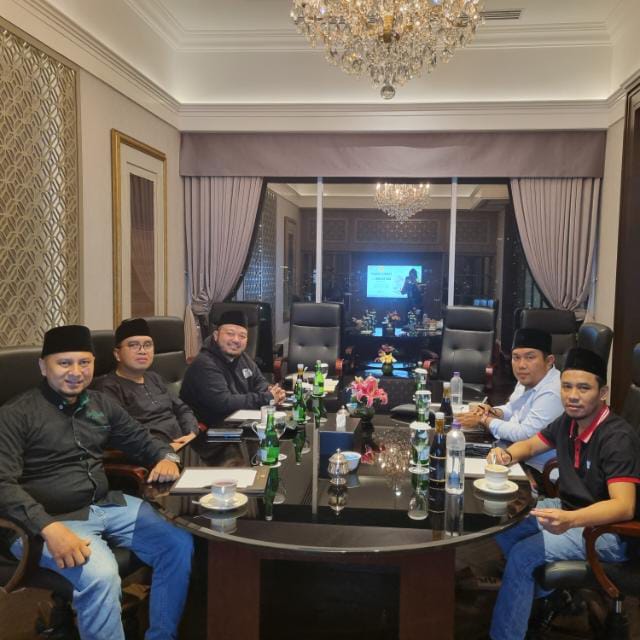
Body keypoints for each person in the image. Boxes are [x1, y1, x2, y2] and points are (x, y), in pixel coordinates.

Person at [0, 325, 193, 640]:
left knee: (178, 543)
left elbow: (143, 440)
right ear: (43, 366)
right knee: (102, 575)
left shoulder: (100, 404)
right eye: (64, 363)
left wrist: (166, 458)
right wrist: (48, 527)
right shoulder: (15, 414)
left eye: (84, 362)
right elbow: (2, 484)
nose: (76, 372)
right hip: (46, 521)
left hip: (104, 504)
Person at [486, 348, 640, 640]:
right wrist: (505, 456)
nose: (572, 396)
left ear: (602, 392)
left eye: (583, 388)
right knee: (500, 523)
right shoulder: (569, 421)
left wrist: (570, 520)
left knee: (522, 556)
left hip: (608, 531)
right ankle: (549, 595)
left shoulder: (617, 438)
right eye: (567, 386)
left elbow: (624, 506)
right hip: (569, 508)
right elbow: (531, 445)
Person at [456, 328, 563, 473]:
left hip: (537, 470)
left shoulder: (554, 391)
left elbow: (525, 434)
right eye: (516, 357)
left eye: (530, 357)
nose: (521, 365)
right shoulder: (530, 376)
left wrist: (484, 420)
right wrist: (493, 411)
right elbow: (512, 408)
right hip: (513, 454)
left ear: (549, 361)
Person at [94, 317, 199, 450]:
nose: (142, 351)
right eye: (133, 345)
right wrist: (165, 449)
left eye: (148, 345)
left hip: (186, 445)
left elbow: (182, 409)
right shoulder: (108, 388)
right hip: (155, 454)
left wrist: (191, 433)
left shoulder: (154, 378)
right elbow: (124, 433)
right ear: (117, 354)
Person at [180, 310, 286, 426]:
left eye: (242, 336)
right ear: (216, 335)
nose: (236, 340)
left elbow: (259, 382)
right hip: (211, 429)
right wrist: (266, 398)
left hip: (239, 422)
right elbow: (223, 403)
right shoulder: (205, 363)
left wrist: (272, 391)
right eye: (230, 334)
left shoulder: (242, 357)